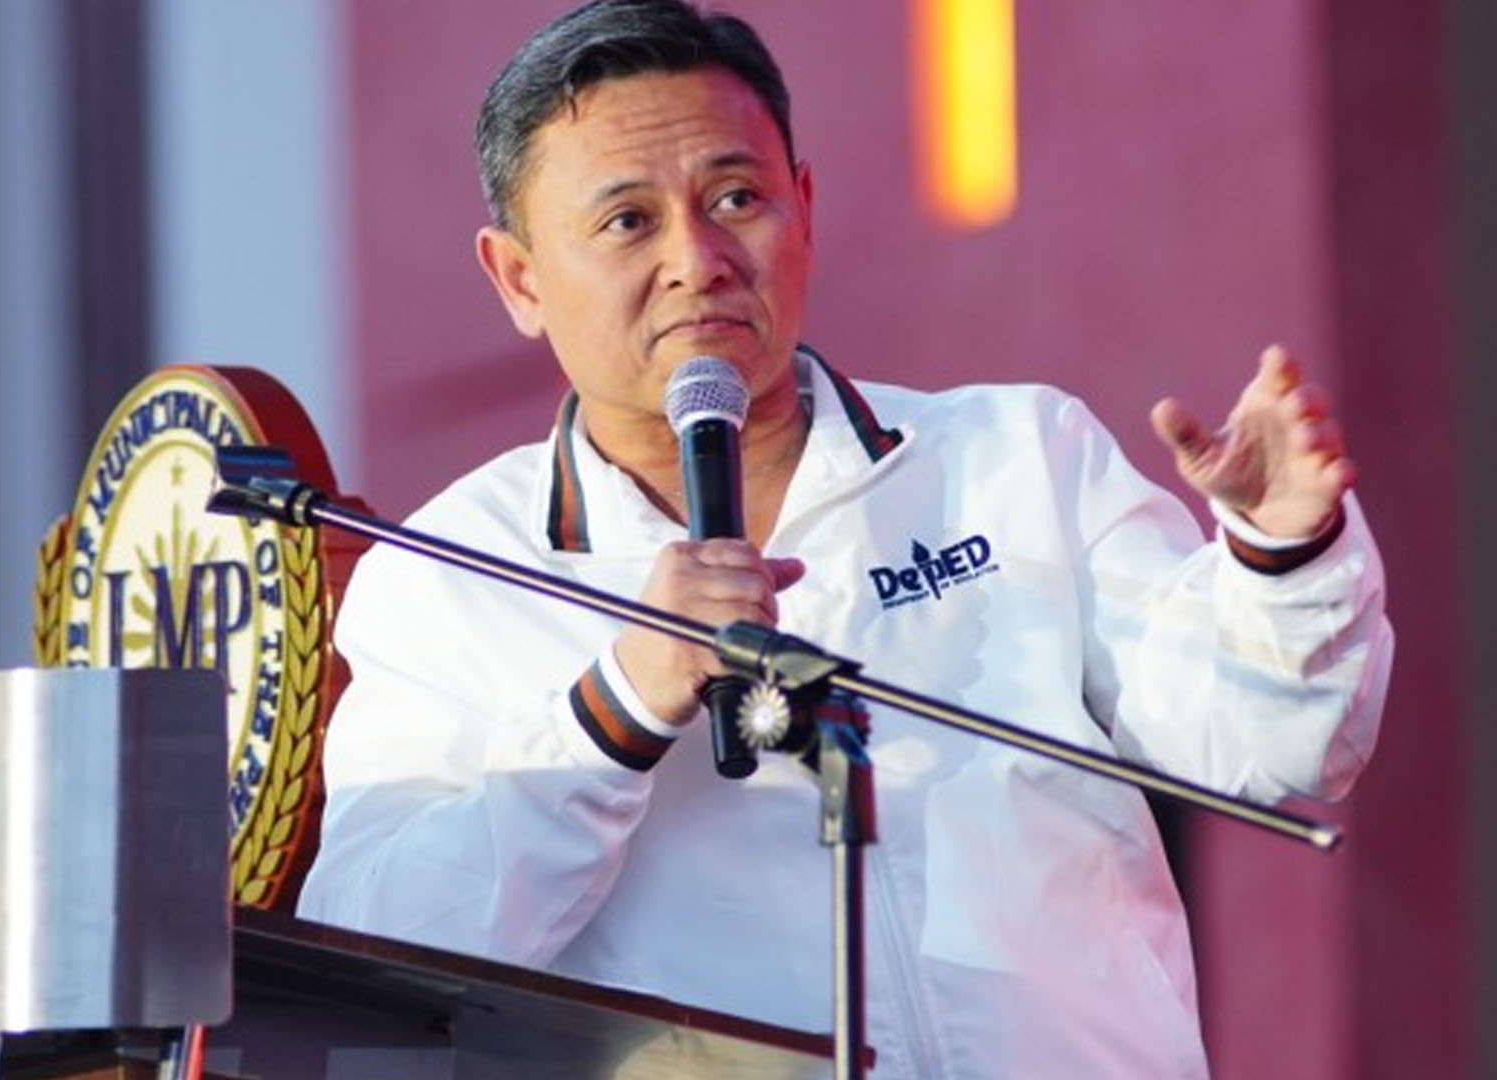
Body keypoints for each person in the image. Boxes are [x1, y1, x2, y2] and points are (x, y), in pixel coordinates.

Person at [295, 1, 1393, 1076]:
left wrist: (1281, 554)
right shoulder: (446, 583)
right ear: (519, 277)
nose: (698, 259)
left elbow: (1271, 742)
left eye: (737, 198)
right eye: (628, 221)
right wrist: (615, 708)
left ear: (806, 208)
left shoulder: (1014, 457)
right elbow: (382, 950)